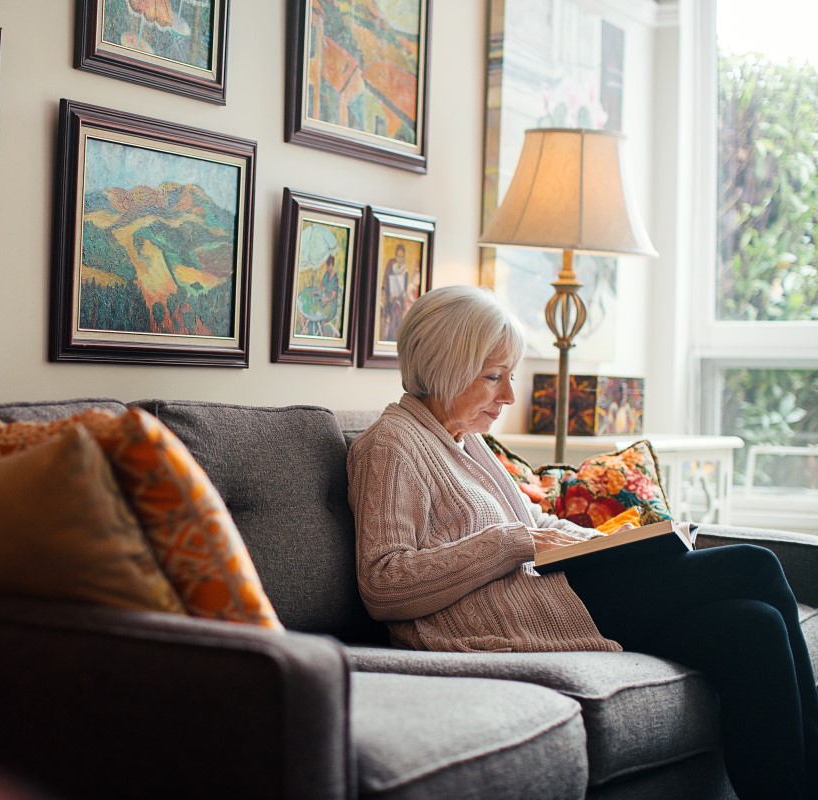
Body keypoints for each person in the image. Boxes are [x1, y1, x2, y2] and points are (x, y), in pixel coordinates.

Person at [346, 284, 818, 800]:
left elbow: (534, 520)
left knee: (752, 627)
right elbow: (384, 583)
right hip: (509, 616)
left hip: (558, 590)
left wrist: (621, 541)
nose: (508, 396)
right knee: (756, 566)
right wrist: (510, 543)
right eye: (493, 377)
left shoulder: (465, 441)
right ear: (444, 366)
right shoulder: (390, 445)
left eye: (509, 376)